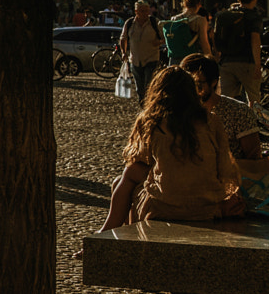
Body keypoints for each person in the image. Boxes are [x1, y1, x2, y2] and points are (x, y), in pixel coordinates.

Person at [96, 66, 241, 232]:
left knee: (129, 174)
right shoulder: (211, 120)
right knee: (129, 175)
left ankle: (109, 235)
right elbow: (224, 164)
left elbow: (138, 157)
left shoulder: (152, 120)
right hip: (207, 205)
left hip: (165, 206)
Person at [179, 55, 269, 160]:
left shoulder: (238, 112)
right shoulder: (182, 111)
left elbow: (254, 160)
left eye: (198, 84)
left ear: (213, 82)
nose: (192, 90)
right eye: (187, 84)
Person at [212, 0, 266, 104]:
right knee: (254, 100)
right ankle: (253, 122)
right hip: (247, 62)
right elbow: (255, 40)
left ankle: (224, 122)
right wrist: (257, 64)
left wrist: (218, 56)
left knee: (226, 101)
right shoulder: (253, 16)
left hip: (227, 62)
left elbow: (215, 36)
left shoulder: (227, 15)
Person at [118, 0, 163, 101]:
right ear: (136, 12)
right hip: (135, 61)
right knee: (140, 89)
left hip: (151, 59)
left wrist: (159, 42)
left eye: (147, 11)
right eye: (142, 11)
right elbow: (123, 39)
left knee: (149, 85)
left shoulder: (154, 22)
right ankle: (143, 106)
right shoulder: (129, 23)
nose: (145, 13)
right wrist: (123, 52)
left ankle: (149, 107)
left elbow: (164, 37)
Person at [161, 0, 213, 67]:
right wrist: (210, 59)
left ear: (184, 4)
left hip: (174, 59)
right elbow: (204, 43)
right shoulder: (200, 20)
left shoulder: (174, 18)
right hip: (191, 59)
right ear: (199, 4)